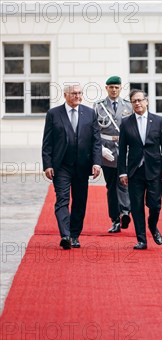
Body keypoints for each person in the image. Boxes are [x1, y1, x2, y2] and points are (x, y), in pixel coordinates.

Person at [42, 84, 102, 249]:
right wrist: (47, 164)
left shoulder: (90, 113)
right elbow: (47, 142)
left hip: (83, 166)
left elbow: (96, 141)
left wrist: (97, 162)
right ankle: (65, 235)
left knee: (80, 201)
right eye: (74, 93)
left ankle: (75, 235)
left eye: (80, 93)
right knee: (62, 199)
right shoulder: (53, 114)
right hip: (61, 165)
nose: (77, 96)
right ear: (65, 95)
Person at [118, 89, 162, 250]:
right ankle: (141, 239)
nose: (138, 103)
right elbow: (122, 150)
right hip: (135, 171)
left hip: (154, 169)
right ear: (131, 104)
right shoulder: (126, 122)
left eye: (140, 100)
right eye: (134, 101)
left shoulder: (158, 121)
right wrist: (122, 171)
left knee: (155, 205)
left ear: (146, 101)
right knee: (136, 205)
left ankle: (152, 226)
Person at [95, 75, 132, 233]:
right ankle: (115, 219)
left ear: (120, 88)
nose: (114, 90)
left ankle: (125, 211)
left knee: (124, 182)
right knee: (111, 186)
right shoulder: (98, 106)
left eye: (117, 87)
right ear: (107, 88)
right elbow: (94, 130)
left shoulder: (128, 106)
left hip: (125, 150)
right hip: (107, 150)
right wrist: (100, 149)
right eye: (111, 87)